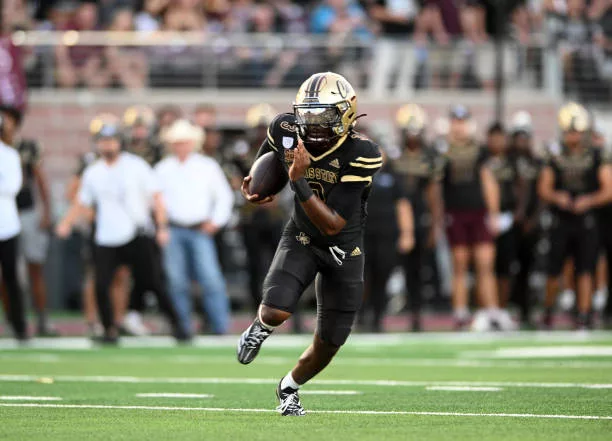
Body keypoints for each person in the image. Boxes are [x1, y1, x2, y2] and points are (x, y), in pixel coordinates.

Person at [236, 72, 382, 416]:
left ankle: (288, 387)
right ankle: (260, 328)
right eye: (308, 114)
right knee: (276, 308)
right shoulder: (284, 129)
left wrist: (298, 182)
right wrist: (258, 189)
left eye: (324, 116)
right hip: (301, 237)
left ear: (346, 114)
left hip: (343, 247)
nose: (313, 124)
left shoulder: (361, 153)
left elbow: (333, 225)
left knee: (330, 342)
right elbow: (267, 161)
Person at [56, 116, 186, 343]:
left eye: (112, 140)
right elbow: (82, 202)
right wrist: (67, 222)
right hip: (106, 235)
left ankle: (178, 325)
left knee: (153, 281)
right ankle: (109, 329)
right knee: (101, 283)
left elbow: (156, 197)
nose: (107, 145)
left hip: (136, 232)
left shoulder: (136, 165)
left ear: (120, 142)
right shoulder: (93, 171)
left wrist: (162, 226)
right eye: (103, 141)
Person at [155, 119, 234, 337]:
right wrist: (161, 227)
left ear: (193, 143)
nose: (181, 146)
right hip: (174, 229)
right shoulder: (162, 169)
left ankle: (220, 326)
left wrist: (215, 222)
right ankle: (182, 327)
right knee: (176, 281)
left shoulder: (207, 166)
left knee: (210, 279)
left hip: (200, 229)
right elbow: (155, 202)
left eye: (184, 142)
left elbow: (224, 197)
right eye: (177, 142)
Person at [437, 105, 513, 331]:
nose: (459, 126)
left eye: (462, 121)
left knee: (485, 263)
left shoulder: (480, 151)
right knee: (459, 264)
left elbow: (489, 182)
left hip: (478, 213)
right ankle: (460, 312)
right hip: (455, 213)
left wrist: (494, 213)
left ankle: (491, 310)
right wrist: (438, 215)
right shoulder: (442, 151)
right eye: (455, 121)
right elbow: (436, 186)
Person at [538, 102, 612, 330]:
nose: (574, 136)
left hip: (587, 218)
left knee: (586, 268)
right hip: (561, 218)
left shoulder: (597, 154)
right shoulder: (554, 153)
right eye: (570, 131)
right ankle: (548, 311)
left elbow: (608, 189)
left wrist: (588, 200)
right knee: (553, 268)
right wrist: (557, 197)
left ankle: (583, 314)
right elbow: (544, 187)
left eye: (577, 131)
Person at [0, 105, 56, 336]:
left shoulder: (24, 148)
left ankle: (41, 318)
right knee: (7, 274)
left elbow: (38, 181)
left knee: (34, 267)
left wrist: (46, 211)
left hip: (24, 213)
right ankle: (12, 319)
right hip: (6, 215)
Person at [393, 104, 443, 331]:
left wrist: (435, 225)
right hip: (395, 220)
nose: (412, 135)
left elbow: (434, 194)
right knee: (388, 266)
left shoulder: (430, 157)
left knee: (420, 268)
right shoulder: (394, 156)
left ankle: (417, 312)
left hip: (421, 218)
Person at [120, 104, 166, 336]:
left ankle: (137, 312)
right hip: (126, 214)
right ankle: (121, 315)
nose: (139, 132)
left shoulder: (159, 151)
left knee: (151, 269)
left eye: (142, 127)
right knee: (122, 270)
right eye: (135, 128)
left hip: (152, 214)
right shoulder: (122, 151)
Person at [361, 147, 414, 332]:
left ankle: (377, 316)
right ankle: (359, 315)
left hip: (386, 234)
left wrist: (407, 233)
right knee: (360, 275)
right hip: (361, 233)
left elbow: (402, 204)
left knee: (382, 274)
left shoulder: (392, 177)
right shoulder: (355, 174)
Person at [508, 111, 542, 327]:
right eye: (518, 136)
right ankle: (509, 308)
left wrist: (534, 219)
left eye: (525, 136)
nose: (522, 140)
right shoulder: (507, 161)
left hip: (531, 223)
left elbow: (542, 193)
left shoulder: (537, 162)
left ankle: (526, 309)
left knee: (529, 268)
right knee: (507, 266)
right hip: (509, 222)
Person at [483, 122, 520, 310]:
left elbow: (521, 188)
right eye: (493, 137)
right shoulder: (482, 159)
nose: (497, 141)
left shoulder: (512, 161)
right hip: (484, 218)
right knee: (485, 265)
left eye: (500, 137)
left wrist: (517, 214)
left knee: (506, 267)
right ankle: (488, 307)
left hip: (508, 217)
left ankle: (503, 307)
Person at [0, 113, 27, 341]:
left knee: (11, 277)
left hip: (6, 225)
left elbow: (12, 187)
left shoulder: (9, 155)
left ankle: (19, 326)